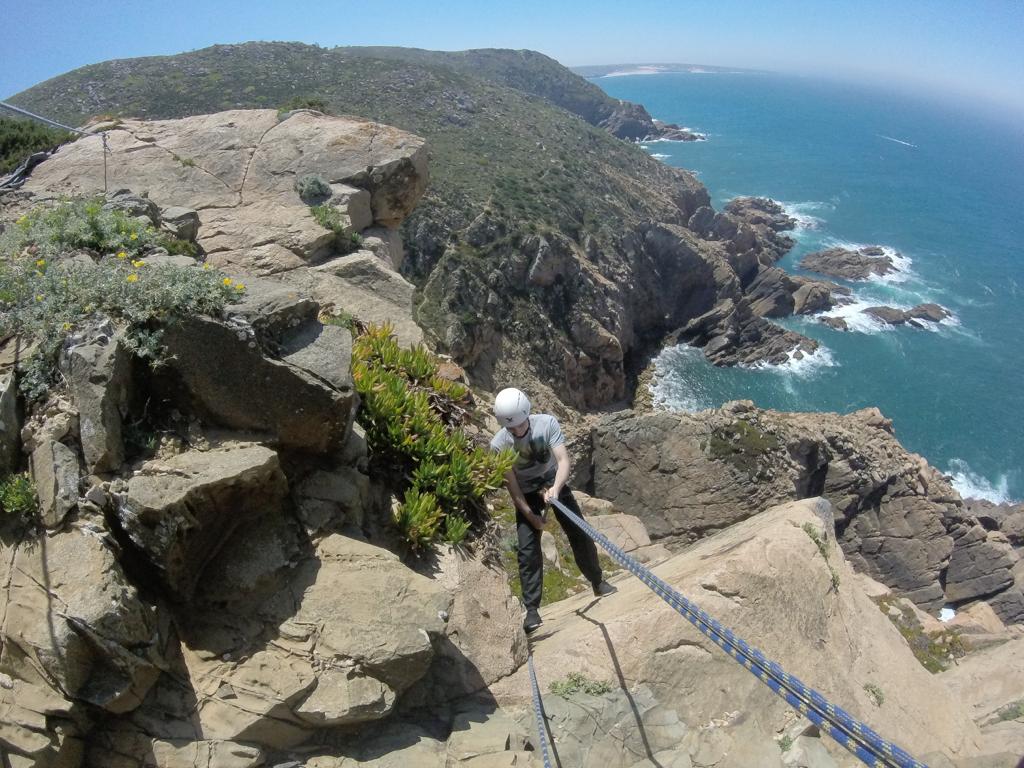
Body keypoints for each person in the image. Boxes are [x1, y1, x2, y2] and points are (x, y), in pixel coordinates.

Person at [490, 387, 615, 634]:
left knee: (579, 532)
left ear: (527, 413)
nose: (515, 431)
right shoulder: (499, 444)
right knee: (527, 550)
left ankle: (597, 581)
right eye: (510, 428)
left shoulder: (547, 424)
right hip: (527, 493)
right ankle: (532, 610)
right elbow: (512, 486)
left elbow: (563, 461)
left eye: (518, 425)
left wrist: (556, 489)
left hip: (552, 483)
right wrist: (530, 515)